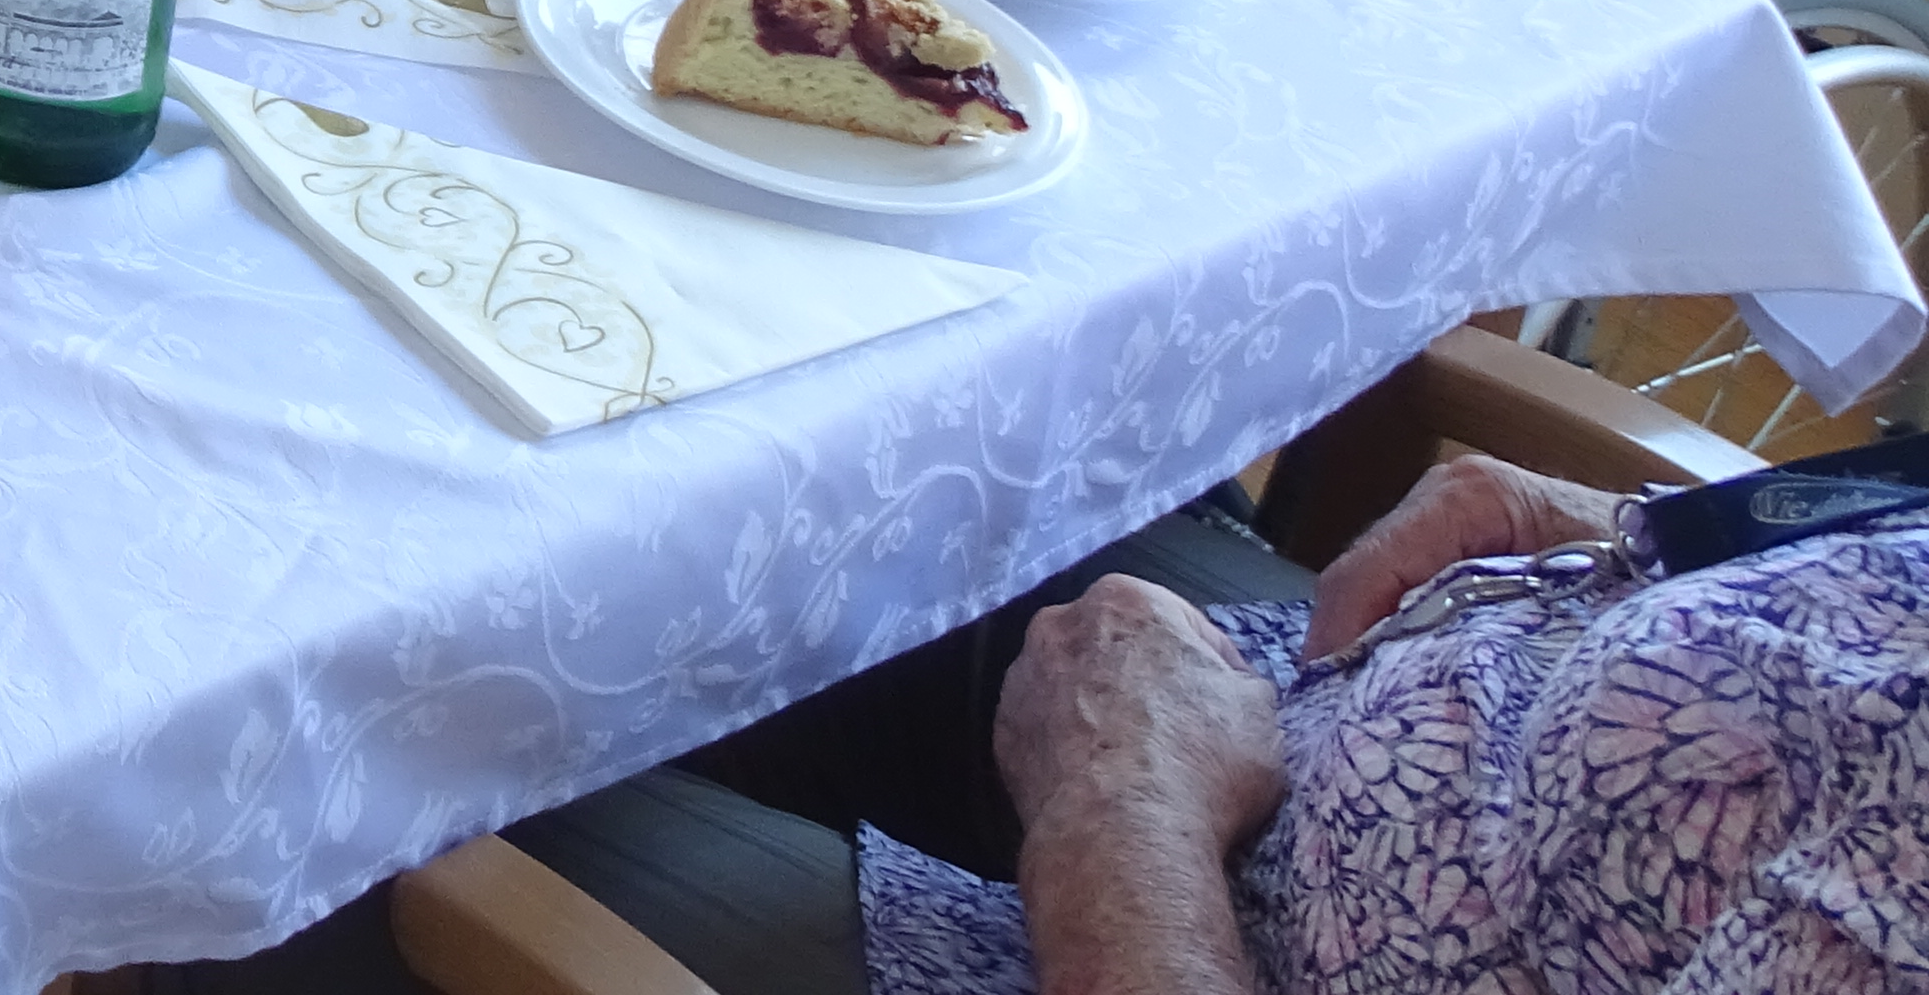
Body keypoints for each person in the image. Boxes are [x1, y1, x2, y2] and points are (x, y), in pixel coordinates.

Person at [147, 428, 1929, 992]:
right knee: (816, 489)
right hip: (1297, 708)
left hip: (1157, 914)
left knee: (281, 791)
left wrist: (1124, 810)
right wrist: (1631, 529)